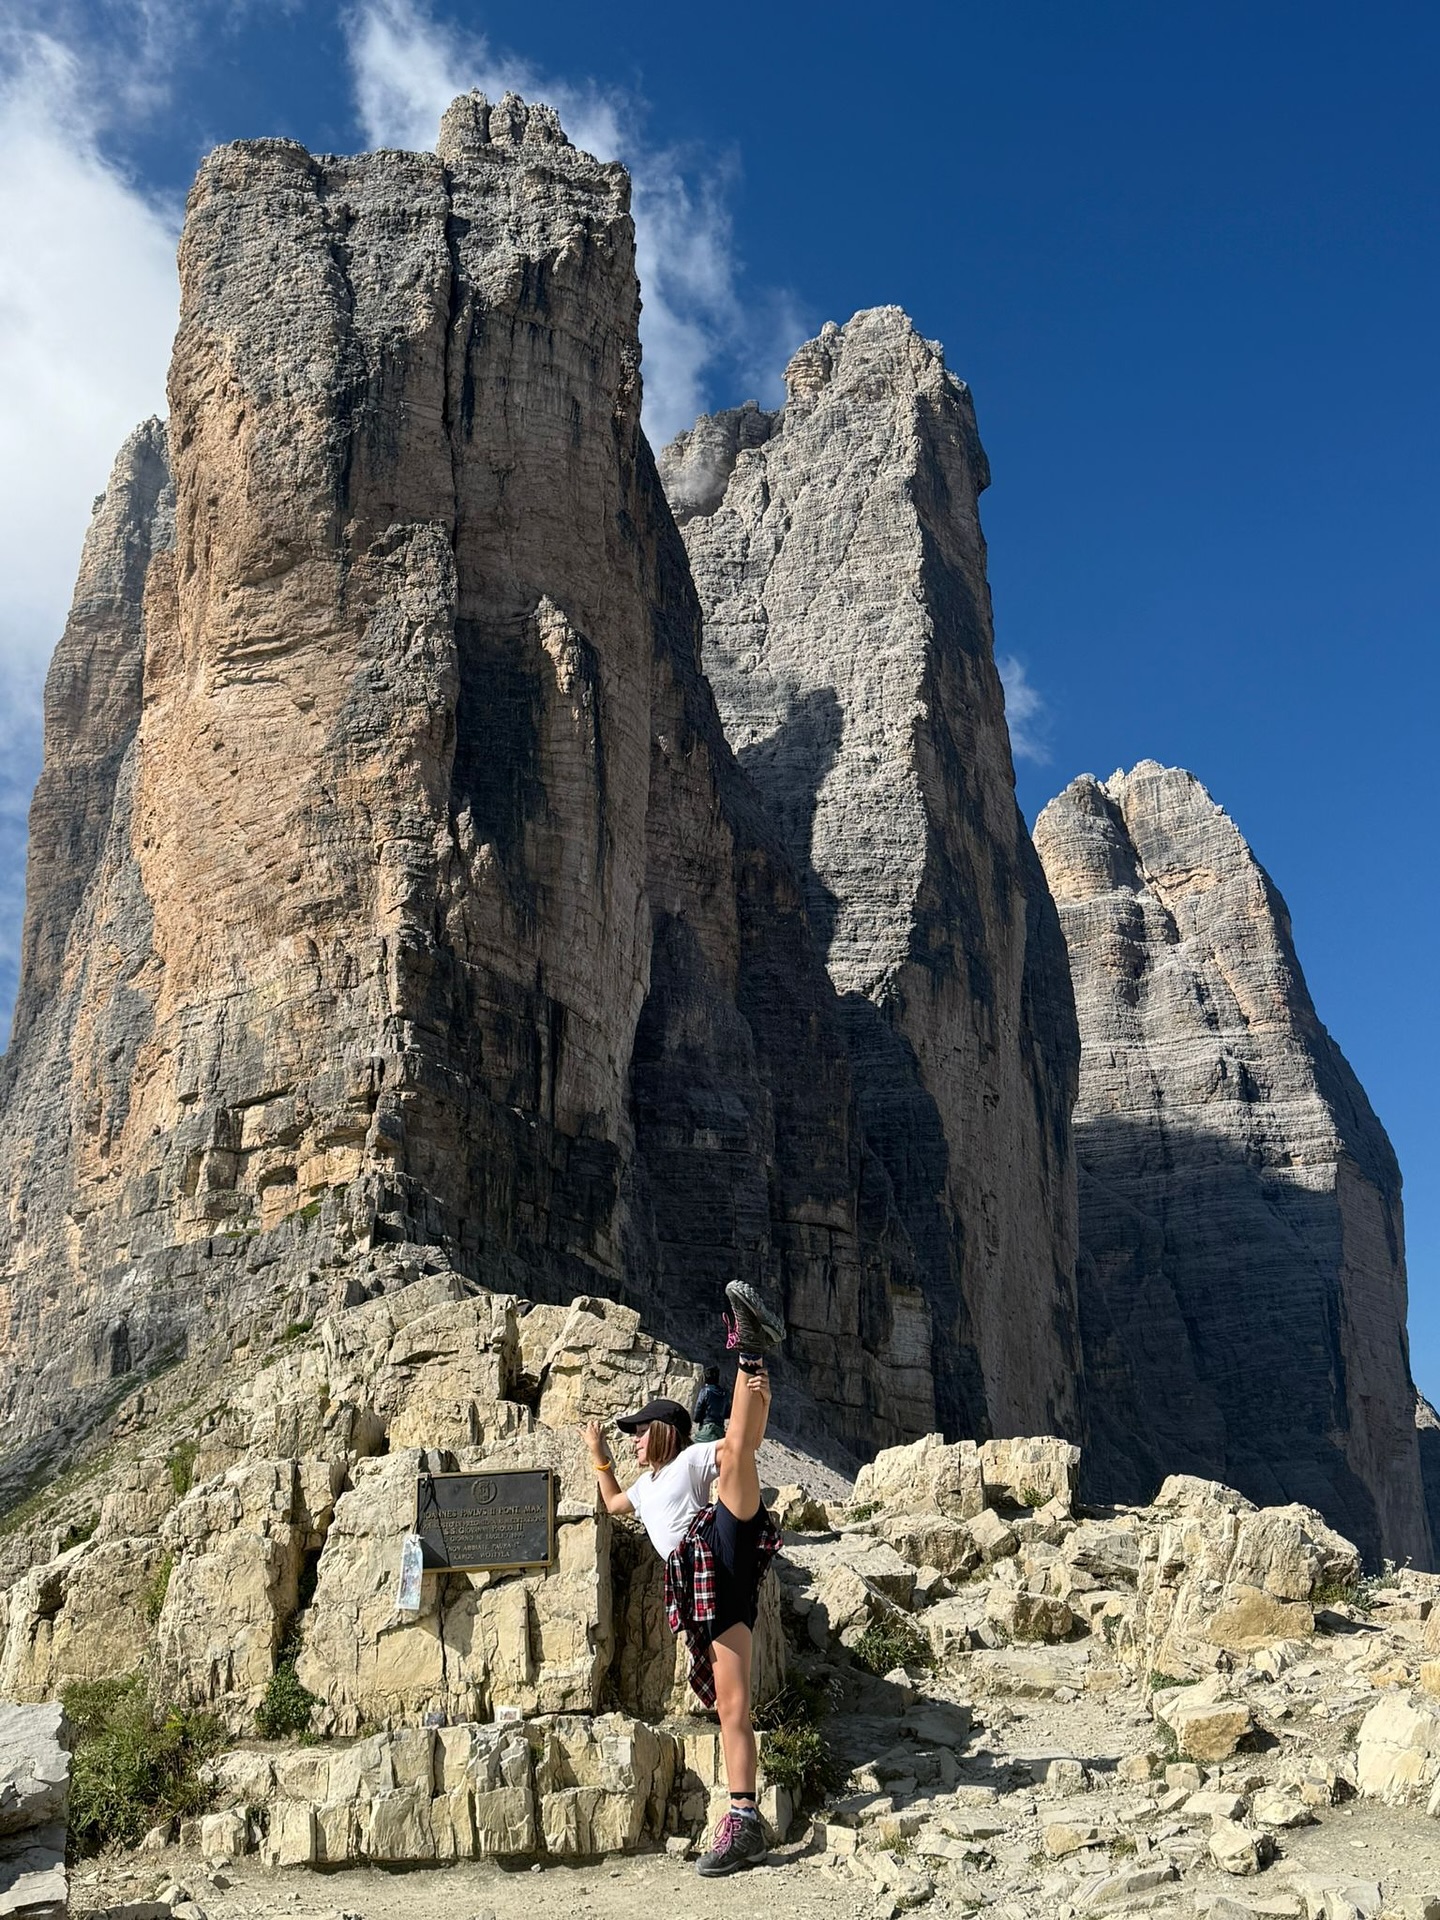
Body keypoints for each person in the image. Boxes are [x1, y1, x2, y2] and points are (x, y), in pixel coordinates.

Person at [582, 1279, 786, 1877]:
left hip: (717, 1543)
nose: (634, 1440)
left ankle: (750, 1350)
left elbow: (739, 1444)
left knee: (736, 1457)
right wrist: (598, 1451)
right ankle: (744, 1820)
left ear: (665, 1431)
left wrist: (756, 1392)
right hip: (704, 1589)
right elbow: (614, 1500)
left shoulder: (690, 1459)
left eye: (639, 1432)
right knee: (732, 1705)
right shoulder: (643, 1489)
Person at [692, 1364, 728, 1443]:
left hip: (706, 1429)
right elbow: (727, 1413)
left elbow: (698, 1411)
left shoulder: (705, 1391)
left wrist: (696, 1419)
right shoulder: (724, 1393)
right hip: (720, 1431)